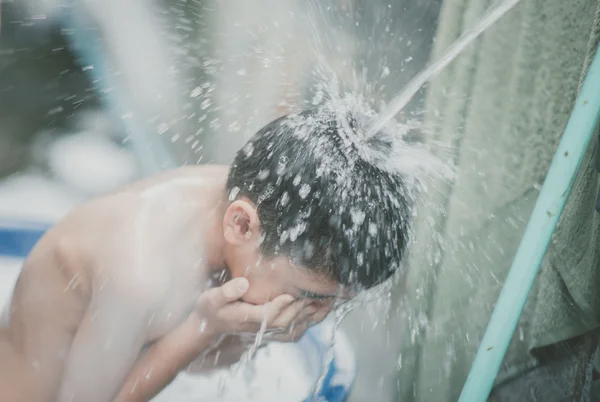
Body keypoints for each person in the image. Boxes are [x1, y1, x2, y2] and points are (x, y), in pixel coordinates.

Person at [0, 105, 411, 402]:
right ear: (241, 224)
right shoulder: (139, 272)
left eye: (336, 305)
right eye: (311, 296)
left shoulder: (255, 209)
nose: (315, 315)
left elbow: (194, 362)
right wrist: (204, 327)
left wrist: (220, 331)